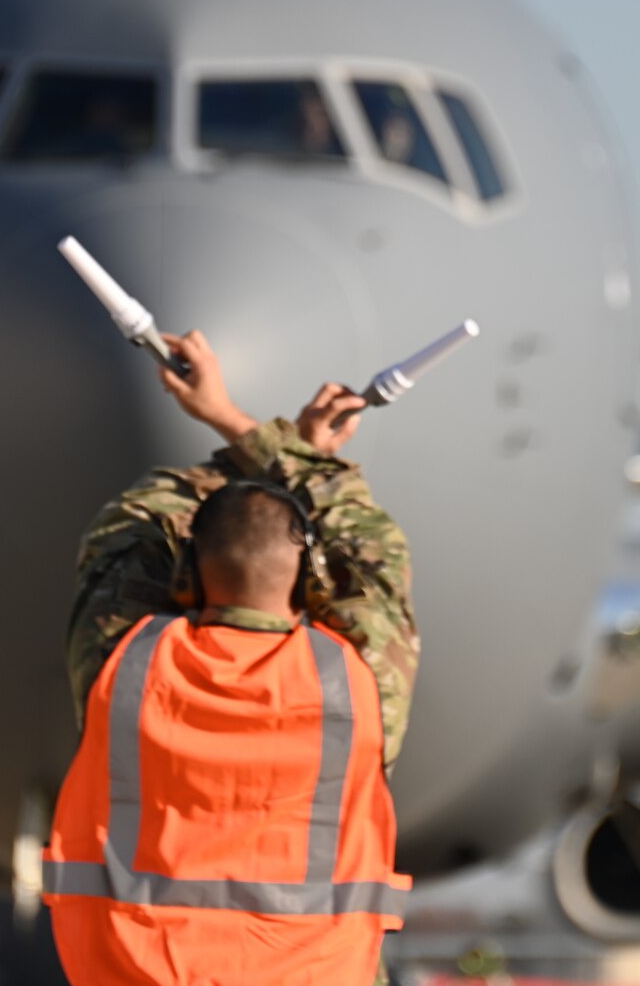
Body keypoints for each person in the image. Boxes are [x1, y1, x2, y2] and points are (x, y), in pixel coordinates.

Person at [45, 330, 418, 986]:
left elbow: (130, 526)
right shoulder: (360, 685)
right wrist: (250, 430)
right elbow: (370, 547)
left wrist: (259, 455)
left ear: (187, 568)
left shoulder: (123, 668)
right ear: (305, 571)